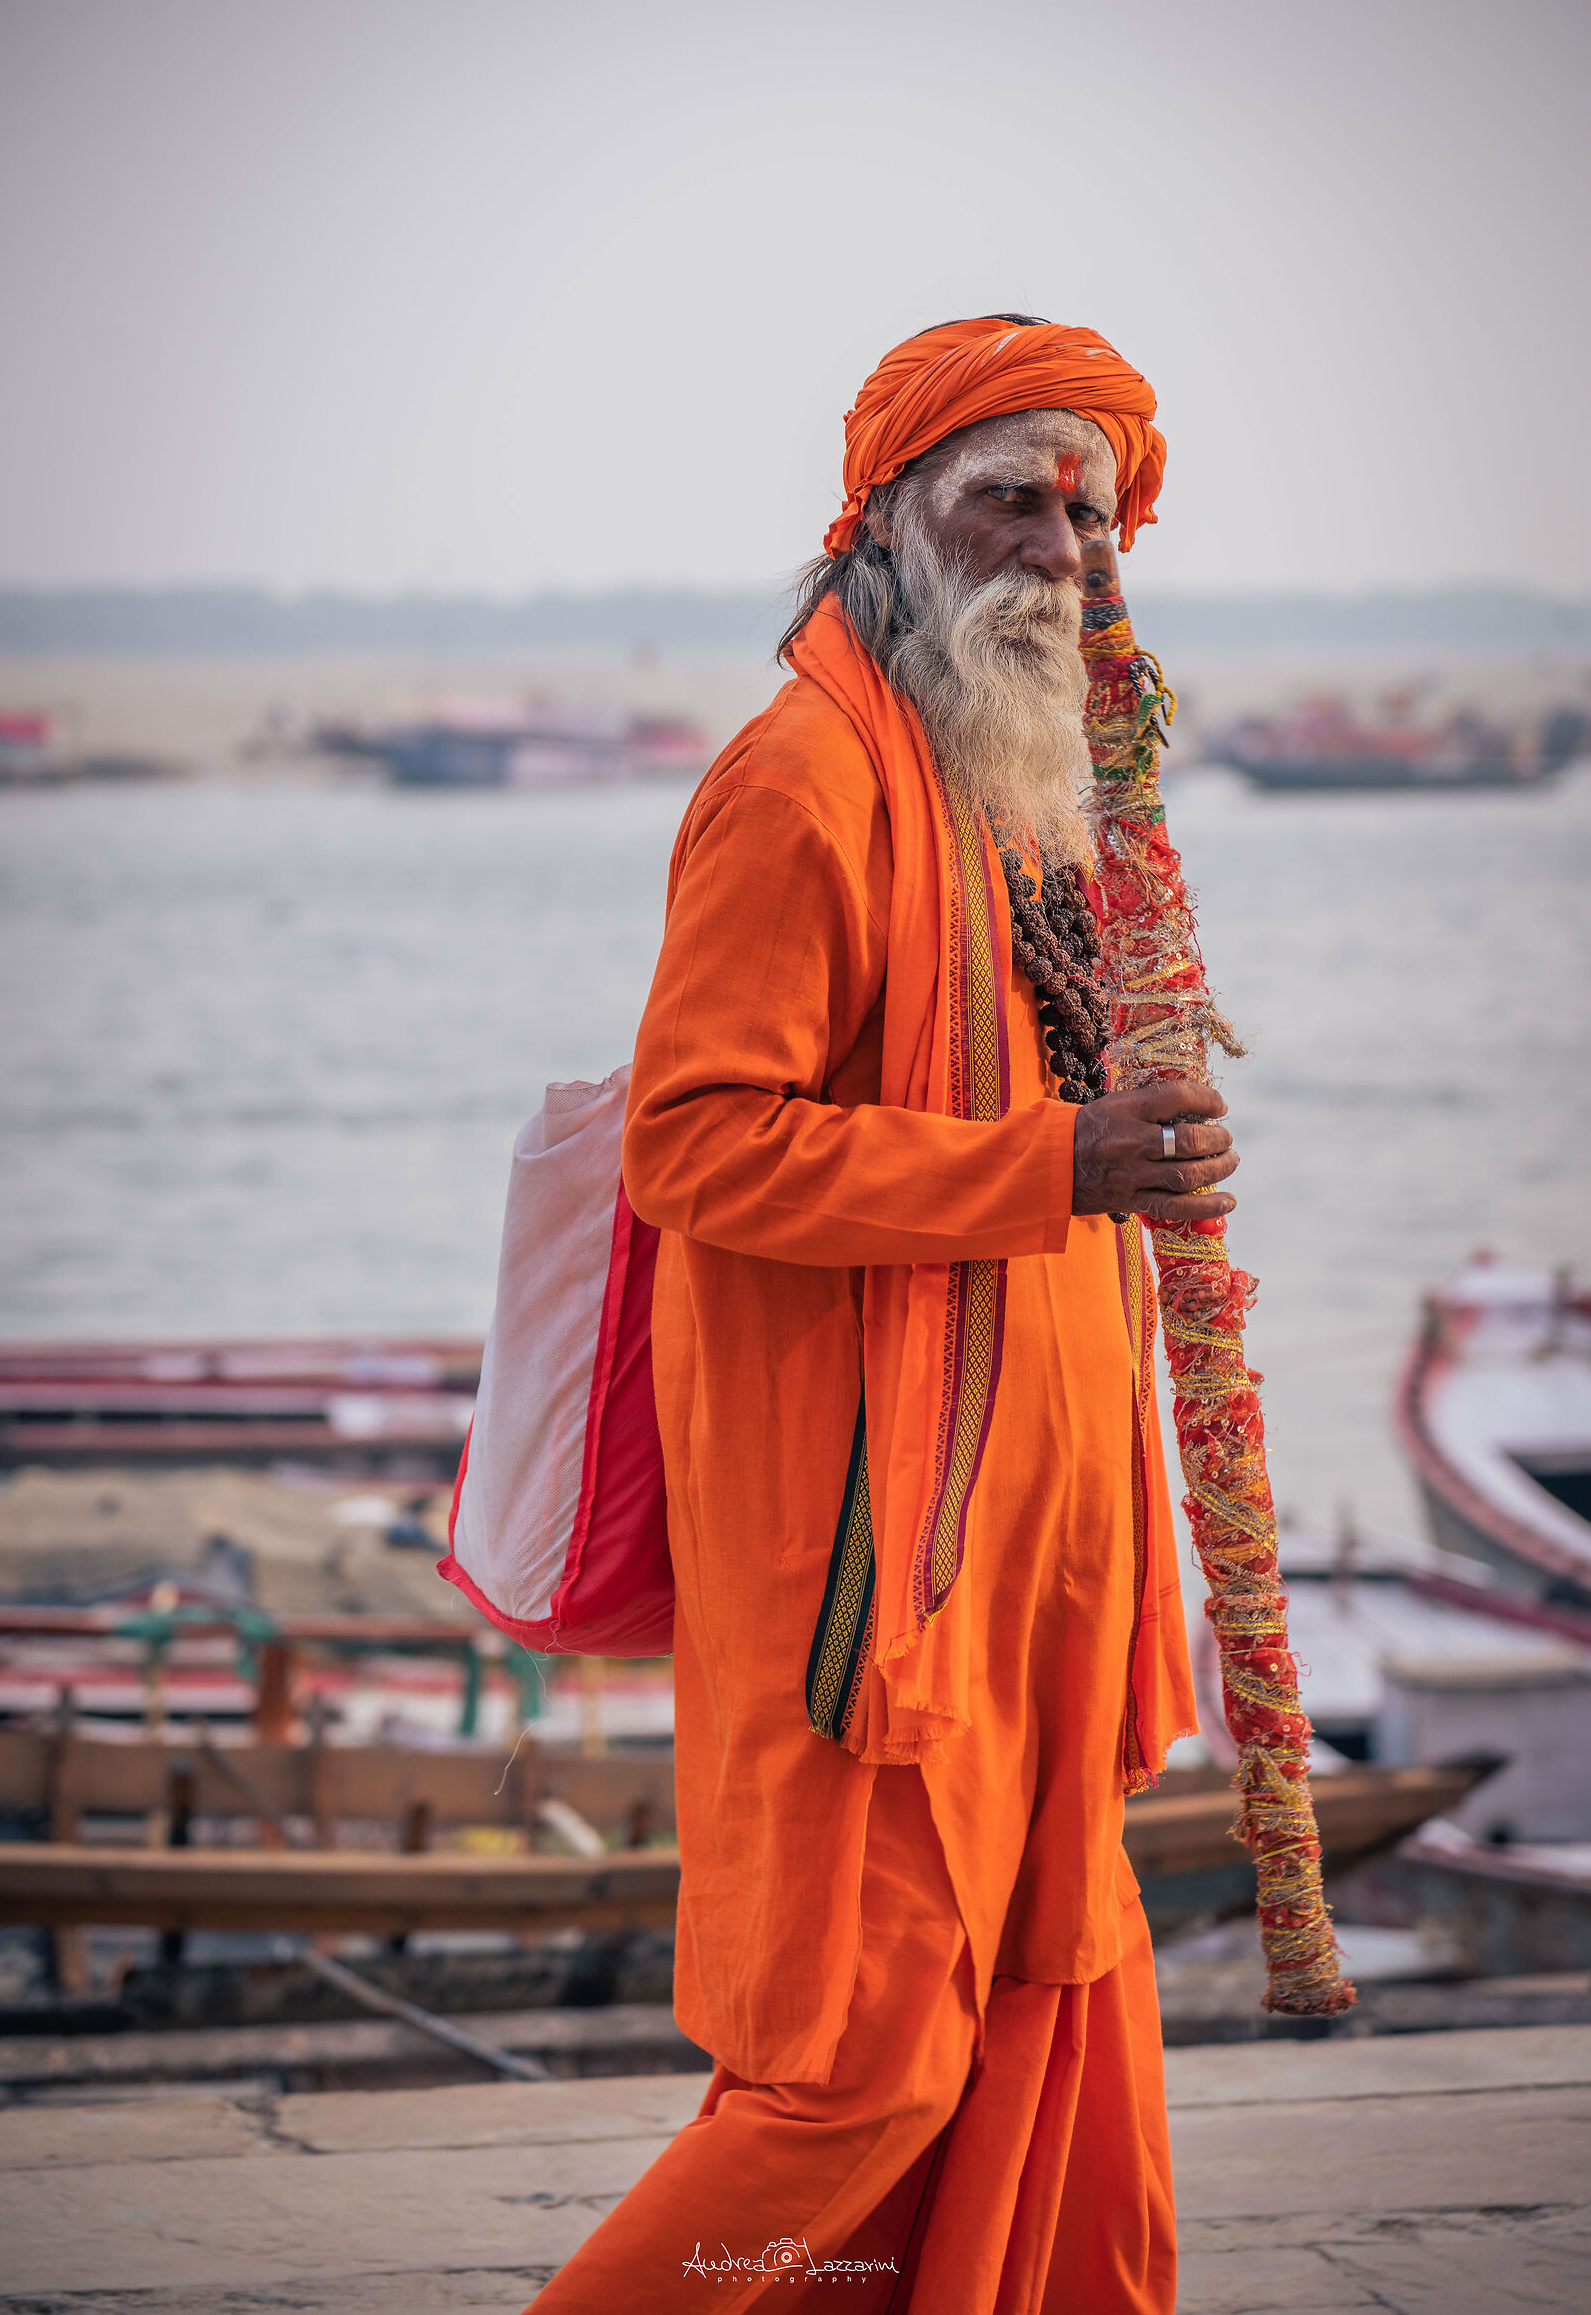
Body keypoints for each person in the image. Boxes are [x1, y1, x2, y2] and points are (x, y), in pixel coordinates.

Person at [528, 316, 1237, 2313]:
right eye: (1009, 501)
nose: (1061, 554)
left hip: (1045, 1578)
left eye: (1088, 516)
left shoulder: (1025, 787)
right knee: (852, 2075)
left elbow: (1058, 1121)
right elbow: (700, 1147)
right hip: (875, 1585)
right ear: (888, 531)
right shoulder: (806, 777)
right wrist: (1059, 1171)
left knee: (1037, 2038)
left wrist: (1130, 1158)